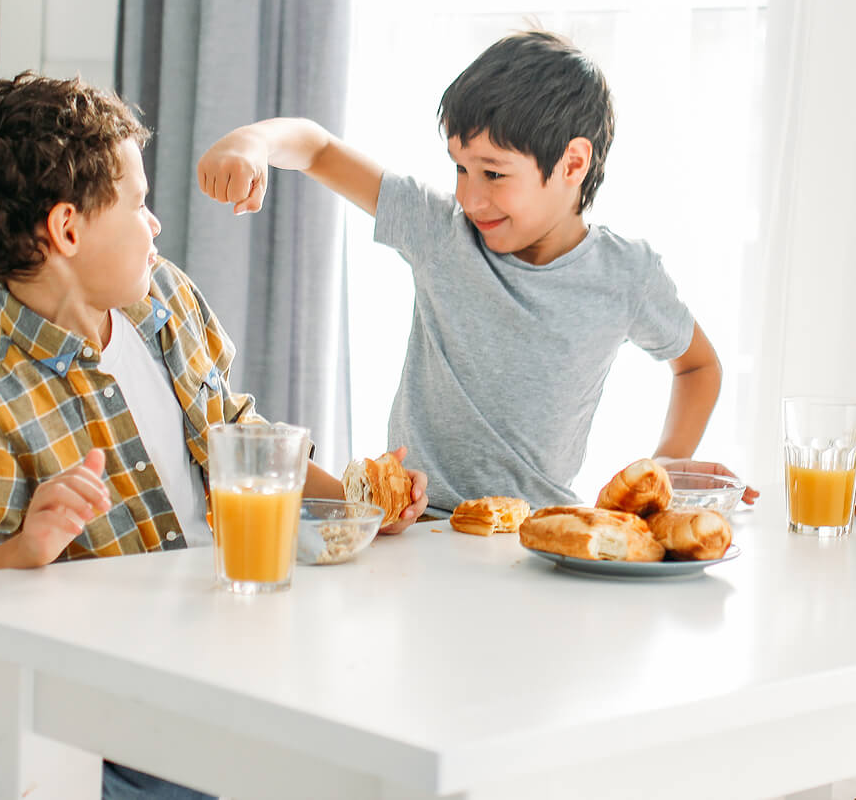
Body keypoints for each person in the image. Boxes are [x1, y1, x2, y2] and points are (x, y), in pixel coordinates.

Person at [0, 71, 427, 800]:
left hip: (226, 669)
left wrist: (354, 501)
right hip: (113, 734)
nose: (153, 224)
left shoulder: (168, 302)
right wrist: (25, 547)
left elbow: (239, 436)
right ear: (66, 229)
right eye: (138, 203)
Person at [195, 29, 759, 514]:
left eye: (493, 173)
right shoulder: (441, 231)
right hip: (416, 527)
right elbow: (316, 149)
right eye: (460, 168)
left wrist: (669, 462)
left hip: (535, 537)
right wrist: (249, 143)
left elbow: (698, 367)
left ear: (573, 163)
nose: (469, 196)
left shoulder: (625, 275)